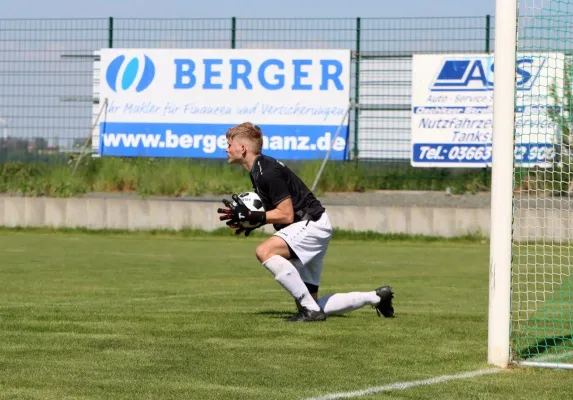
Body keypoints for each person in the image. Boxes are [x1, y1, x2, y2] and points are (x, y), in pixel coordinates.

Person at [217, 122, 395, 322]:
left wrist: (255, 217)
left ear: (243, 148)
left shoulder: (267, 172)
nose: (226, 148)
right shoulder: (260, 168)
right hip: (313, 224)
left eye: (229, 144)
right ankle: (377, 297)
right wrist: (254, 221)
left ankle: (310, 311)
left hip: (310, 225)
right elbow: (279, 211)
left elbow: (286, 215)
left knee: (265, 251)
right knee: (312, 300)